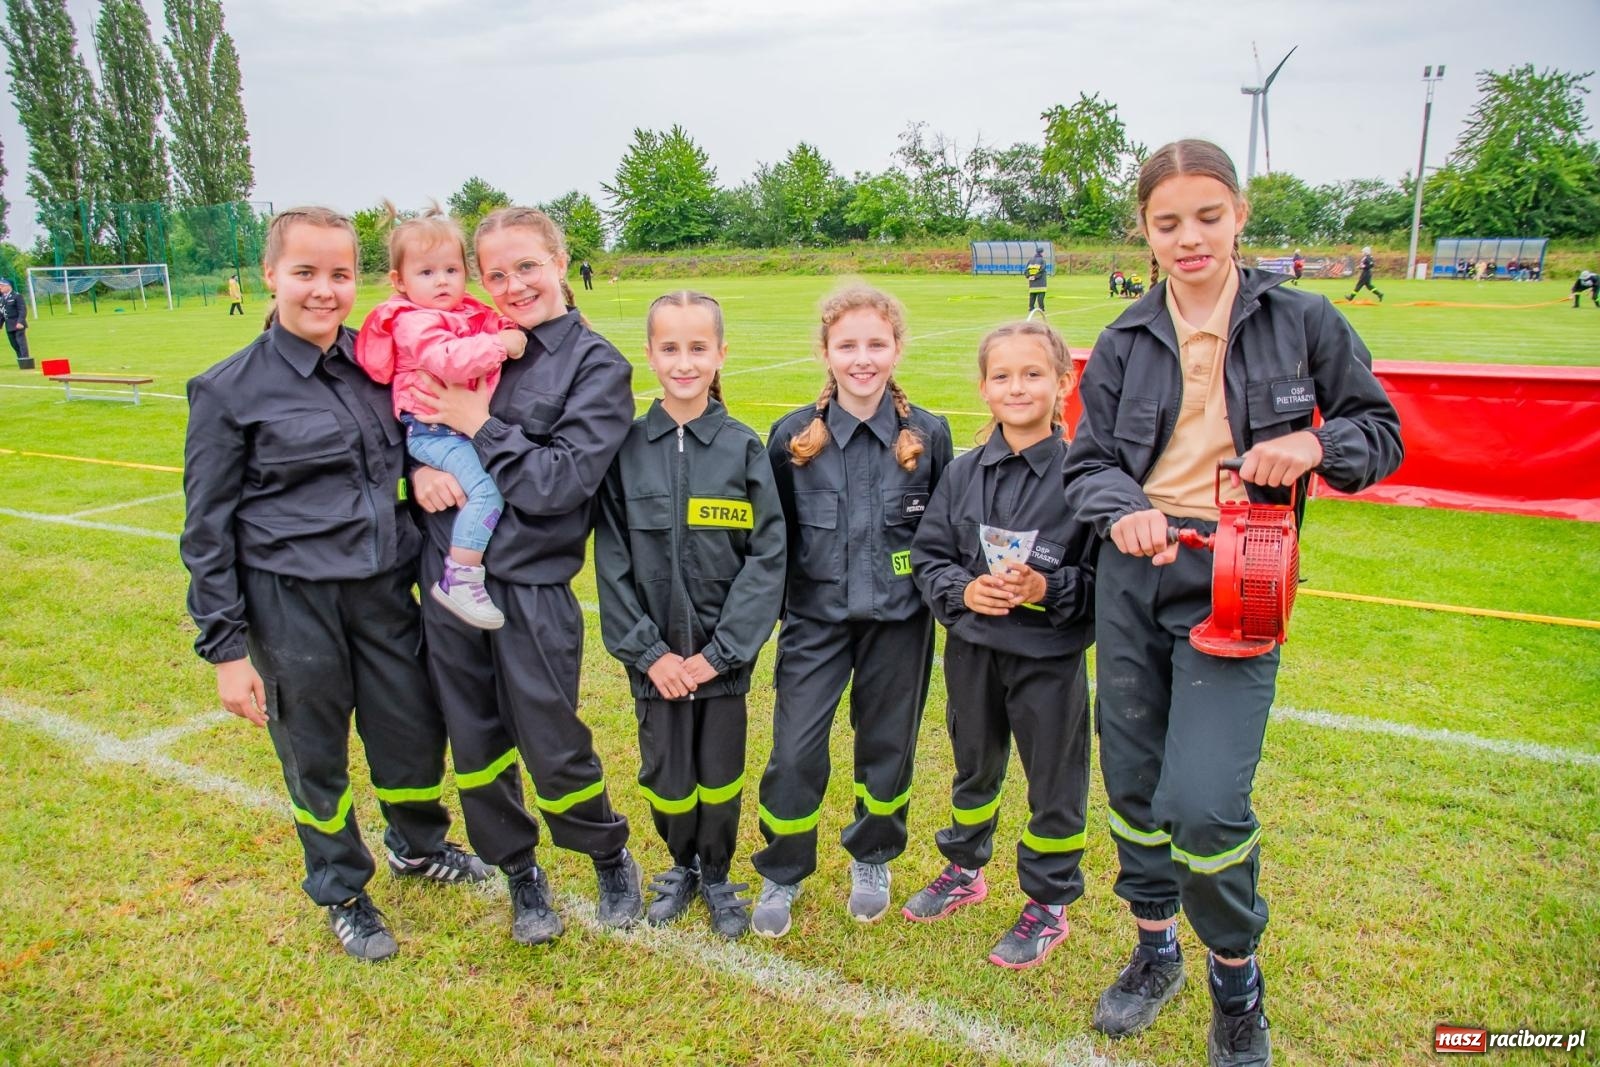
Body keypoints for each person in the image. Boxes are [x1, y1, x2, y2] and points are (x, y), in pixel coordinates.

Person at [1066, 140, 1402, 1066]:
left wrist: (1315, 451)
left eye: (1207, 216)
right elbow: (1087, 465)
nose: (1190, 237)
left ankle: (1235, 981)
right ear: (1145, 230)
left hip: (1241, 572)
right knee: (1134, 789)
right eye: (1167, 222)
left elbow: (1380, 433)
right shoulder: (1126, 338)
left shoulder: (1304, 319)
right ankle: (1153, 948)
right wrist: (1124, 510)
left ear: (1240, 213)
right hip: (1136, 575)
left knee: (1205, 803)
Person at [180, 207, 490, 963]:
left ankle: (417, 845)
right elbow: (206, 529)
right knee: (315, 753)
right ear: (270, 275)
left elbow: (410, 438)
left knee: (411, 730)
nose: (324, 290)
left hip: (382, 586)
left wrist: (420, 469)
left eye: (340, 274)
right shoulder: (227, 391)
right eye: (306, 272)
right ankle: (343, 887)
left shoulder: (377, 362)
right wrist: (225, 650)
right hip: (292, 603)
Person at [407, 206, 643, 945]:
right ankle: (519, 873)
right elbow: (401, 421)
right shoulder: (464, 337)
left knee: (551, 739)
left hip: (531, 585)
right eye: (497, 272)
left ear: (561, 262)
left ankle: (606, 851)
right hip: (448, 577)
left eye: (527, 267)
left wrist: (481, 423)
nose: (513, 285)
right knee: (474, 740)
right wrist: (414, 470)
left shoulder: (597, 365)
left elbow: (558, 484)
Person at [750, 283, 953, 938]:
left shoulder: (929, 433)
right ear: (826, 352)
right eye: (848, 345)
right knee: (795, 749)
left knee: (887, 748)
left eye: (876, 343)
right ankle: (782, 866)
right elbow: (771, 538)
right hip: (815, 620)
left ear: (897, 348)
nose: (862, 358)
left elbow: (945, 531)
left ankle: (872, 856)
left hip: (900, 622)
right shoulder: (790, 437)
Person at [903, 320, 1096, 970]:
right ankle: (964, 866)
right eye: (1003, 375)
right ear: (984, 387)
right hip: (974, 651)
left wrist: (1047, 586)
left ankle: (1048, 901)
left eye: (1033, 373)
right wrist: (963, 590)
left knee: (1054, 783)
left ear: (1063, 383)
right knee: (974, 767)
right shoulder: (961, 473)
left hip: (1047, 659)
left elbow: (1103, 583)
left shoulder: (1084, 478)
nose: (1018, 387)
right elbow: (930, 555)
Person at [595, 290, 786, 940]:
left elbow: (767, 559)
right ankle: (680, 864)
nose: (683, 361)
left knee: (720, 774)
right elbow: (613, 561)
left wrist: (719, 652)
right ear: (649, 354)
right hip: (658, 667)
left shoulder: (742, 448)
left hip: (719, 665)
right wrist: (652, 654)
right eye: (669, 347)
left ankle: (718, 869)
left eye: (697, 347)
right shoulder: (625, 449)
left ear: (720, 354)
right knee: (669, 777)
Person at [354, 205, 526, 630]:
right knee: (487, 492)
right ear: (400, 281)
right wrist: (503, 345)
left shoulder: (459, 312)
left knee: (478, 491)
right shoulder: (414, 323)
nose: (443, 281)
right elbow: (448, 360)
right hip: (435, 433)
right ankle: (461, 577)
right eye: (427, 273)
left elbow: (491, 320)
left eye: (451, 269)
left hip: (452, 431)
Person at [0, 277, 31, 370]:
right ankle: (21, 360)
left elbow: (22, 310)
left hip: (18, 324)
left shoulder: (17, 296)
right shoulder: (2, 298)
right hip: (9, 325)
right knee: (14, 344)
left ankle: (25, 362)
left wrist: (20, 322)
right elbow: (2, 313)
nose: (0, 288)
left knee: (21, 343)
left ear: (8, 286)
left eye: (1, 286)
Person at [1024, 247, 1048, 316]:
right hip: (1040, 281)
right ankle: (1041, 308)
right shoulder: (1042, 260)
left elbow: (1026, 270)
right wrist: (1036, 276)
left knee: (1032, 295)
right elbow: (1042, 270)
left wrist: (1029, 276)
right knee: (1041, 295)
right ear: (1042, 253)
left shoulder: (1030, 260)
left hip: (1032, 282)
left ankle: (1031, 307)